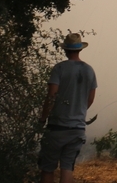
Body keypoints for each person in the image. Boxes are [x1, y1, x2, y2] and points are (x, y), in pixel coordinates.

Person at [38, 33, 97, 183]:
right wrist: (79, 110)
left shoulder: (59, 69)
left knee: (48, 167)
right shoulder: (89, 71)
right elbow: (90, 99)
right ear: (79, 49)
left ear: (65, 50)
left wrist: (42, 119)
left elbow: (51, 96)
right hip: (77, 128)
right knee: (67, 166)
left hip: (57, 127)